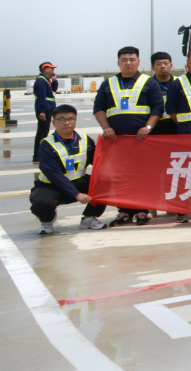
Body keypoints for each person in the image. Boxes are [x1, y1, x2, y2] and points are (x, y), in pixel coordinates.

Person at [93, 46, 163, 227]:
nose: (128, 63)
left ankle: (142, 210)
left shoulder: (149, 82)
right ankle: (124, 211)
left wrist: (148, 127)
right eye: (124, 60)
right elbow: (98, 108)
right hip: (117, 141)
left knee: (142, 175)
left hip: (142, 141)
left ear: (138, 62)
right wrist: (106, 127)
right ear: (118, 63)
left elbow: (157, 108)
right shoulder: (108, 84)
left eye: (132, 59)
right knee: (120, 177)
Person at [30, 104, 109, 234]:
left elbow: (98, 161)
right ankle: (47, 219)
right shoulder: (46, 144)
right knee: (41, 203)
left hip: (79, 181)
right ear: (53, 122)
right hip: (51, 185)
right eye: (61, 119)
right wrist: (76, 194)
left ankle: (89, 217)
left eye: (71, 119)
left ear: (75, 120)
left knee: (105, 183)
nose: (67, 123)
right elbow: (54, 174)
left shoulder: (84, 139)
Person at [31, 61, 58, 163]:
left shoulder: (46, 80)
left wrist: (54, 80)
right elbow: (41, 98)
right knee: (42, 133)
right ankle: (37, 156)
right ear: (46, 69)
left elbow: (53, 91)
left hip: (48, 109)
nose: (53, 70)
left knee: (44, 132)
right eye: (52, 68)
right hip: (44, 110)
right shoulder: (41, 81)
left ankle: (40, 154)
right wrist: (42, 112)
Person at [150, 52, 178, 135]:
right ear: (152, 67)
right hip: (155, 125)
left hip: (176, 123)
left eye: (166, 63)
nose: (162, 66)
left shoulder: (179, 82)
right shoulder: (147, 84)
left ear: (171, 65)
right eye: (158, 64)